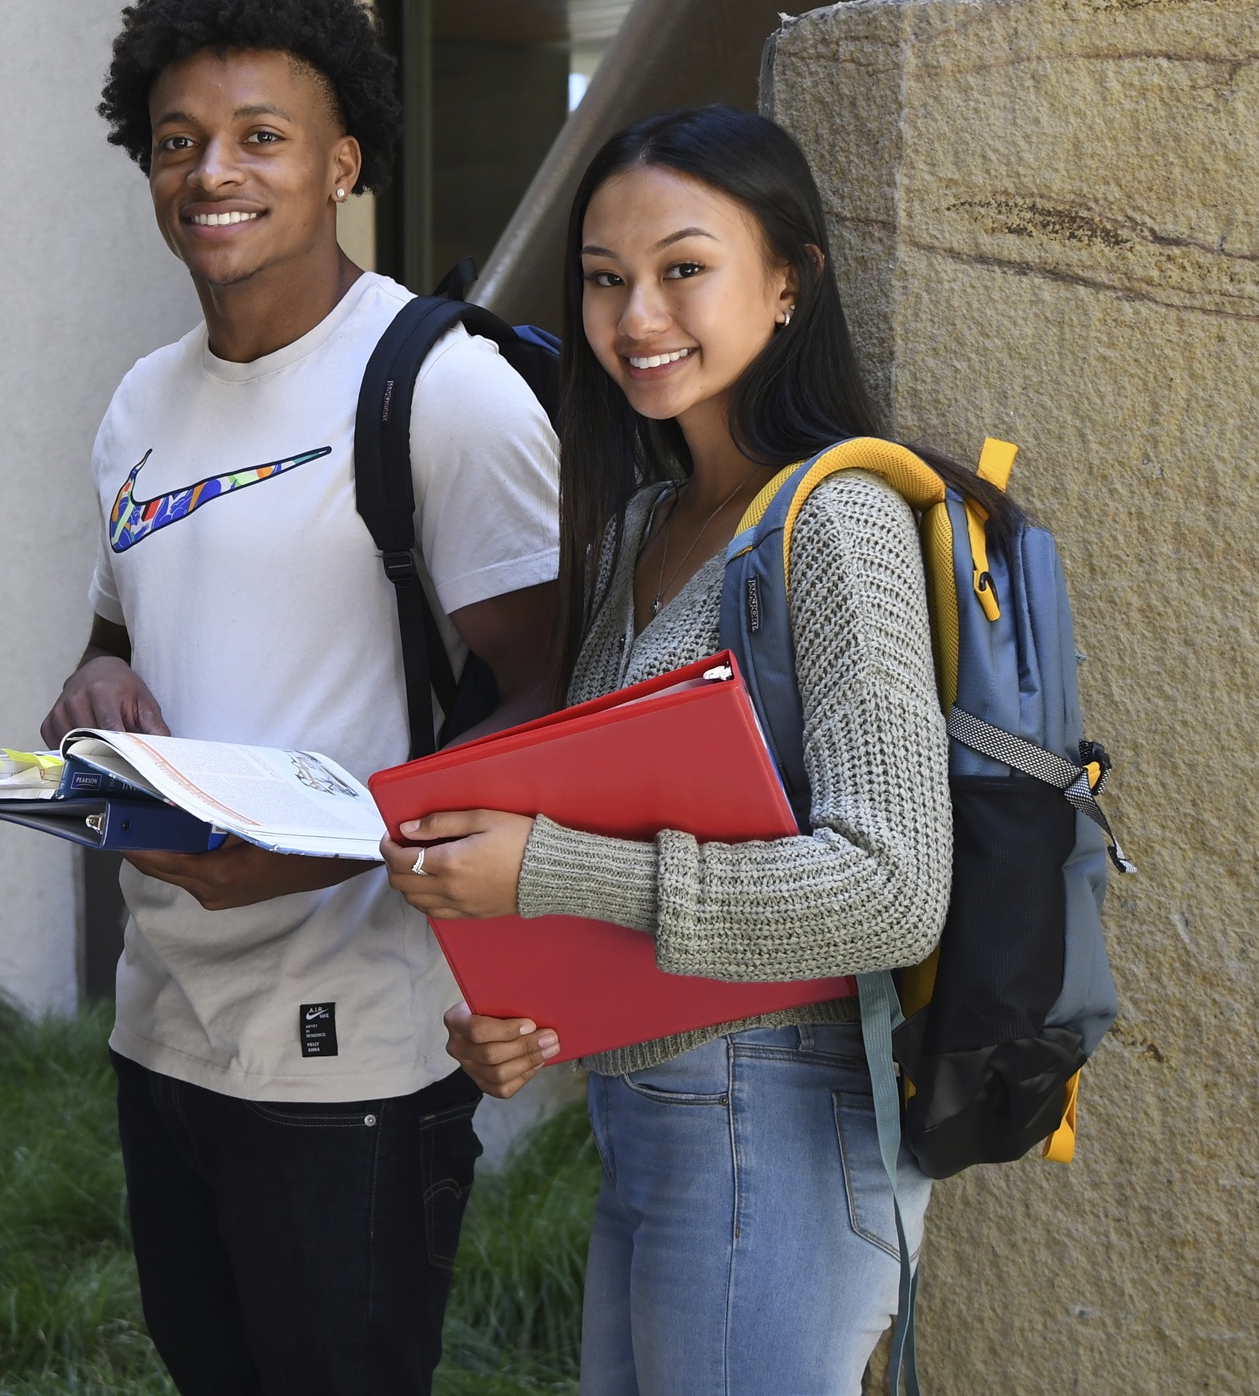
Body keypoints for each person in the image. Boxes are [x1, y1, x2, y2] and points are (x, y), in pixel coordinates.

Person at [382, 105, 982, 1396]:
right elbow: (642, 841)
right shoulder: (647, 520)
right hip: (653, 1120)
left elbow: (891, 887)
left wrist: (548, 868)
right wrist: (534, 1018)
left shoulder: (841, 520)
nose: (636, 315)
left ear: (788, 284)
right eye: (605, 279)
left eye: (683, 268)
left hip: (782, 1121)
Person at [38, 0, 562, 1396]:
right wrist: (93, 695)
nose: (215, 170)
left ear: (341, 161)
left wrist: (309, 852)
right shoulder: (141, 400)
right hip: (165, 1025)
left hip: (360, 1044)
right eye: (179, 142)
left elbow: (547, 697)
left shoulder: (437, 386)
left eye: (261, 136)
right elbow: (117, 639)